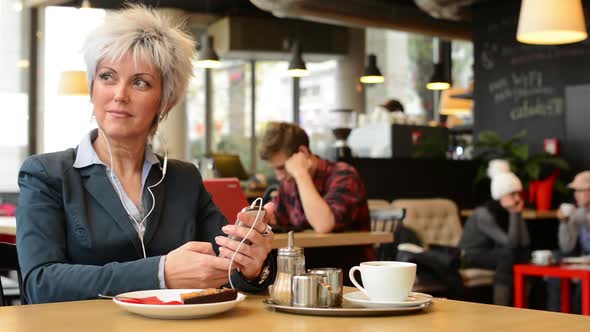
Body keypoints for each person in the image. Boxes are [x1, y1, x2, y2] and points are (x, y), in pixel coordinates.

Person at [15, 5, 275, 304]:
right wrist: (160, 273)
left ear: (164, 102)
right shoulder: (46, 174)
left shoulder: (183, 178)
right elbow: (39, 284)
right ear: (92, 88)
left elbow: (225, 264)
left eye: (140, 82)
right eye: (107, 76)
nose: (119, 94)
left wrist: (251, 265)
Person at [259, 122, 374, 284]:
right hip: (305, 275)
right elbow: (277, 220)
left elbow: (324, 224)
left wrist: (300, 173)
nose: (279, 177)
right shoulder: (289, 184)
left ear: (302, 152)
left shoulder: (344, 175)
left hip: (348, 277)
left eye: (282, 167)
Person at [458, 171, 530, 305]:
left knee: (523, 254)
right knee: (507, 255)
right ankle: (501, 309)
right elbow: (512, 243)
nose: (517, 199)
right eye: (512, 194)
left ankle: (525, 306)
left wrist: (517, 214)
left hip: (492, 252)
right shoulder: (483, 214)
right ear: (500, 195)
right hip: (469, 255)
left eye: (518, 194)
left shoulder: (505, 211)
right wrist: (515, 213)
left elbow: (524, 242)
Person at [546, 171, 590, 313]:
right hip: (584, 262)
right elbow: (566, 246)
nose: (576, 195)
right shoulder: (579, 213)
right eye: (575, 191)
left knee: (582, 292)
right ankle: (555, 316)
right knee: (556, 260)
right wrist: (564, 223)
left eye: (580, 190)